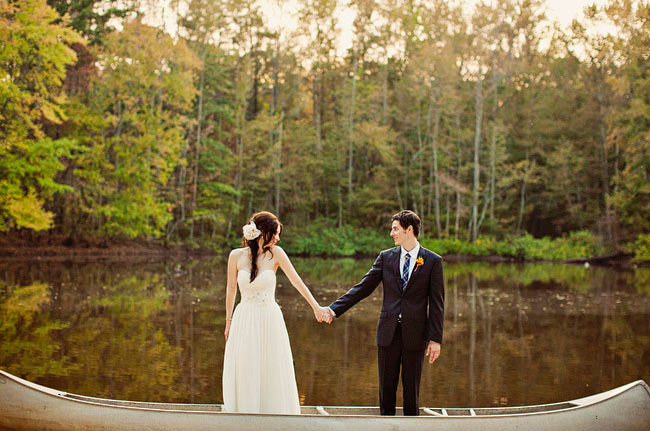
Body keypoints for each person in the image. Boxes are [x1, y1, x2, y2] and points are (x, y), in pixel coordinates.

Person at [323, 210, 444, 416]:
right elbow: (363, 288)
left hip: (416, 334)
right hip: (387, 333)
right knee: (386, 391)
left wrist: (435, 339)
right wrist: (333, 310)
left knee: (411, 392)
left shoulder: (432, 261)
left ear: (409, 230)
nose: (392, 233)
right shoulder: (386, 257)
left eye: (395, 229)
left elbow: (437, 303)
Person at [222, 211, 331, 414]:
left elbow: (297, 281)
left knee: (270, 365)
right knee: (247, 365)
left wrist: (316, 307)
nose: (278, 238)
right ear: (262, 232)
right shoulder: (235, 256)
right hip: (244, 317)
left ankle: (274, 414)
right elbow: (230, 288)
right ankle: (245, 413)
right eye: (276, 233)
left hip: (269, 318)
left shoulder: (277, 253)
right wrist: (228, 322)